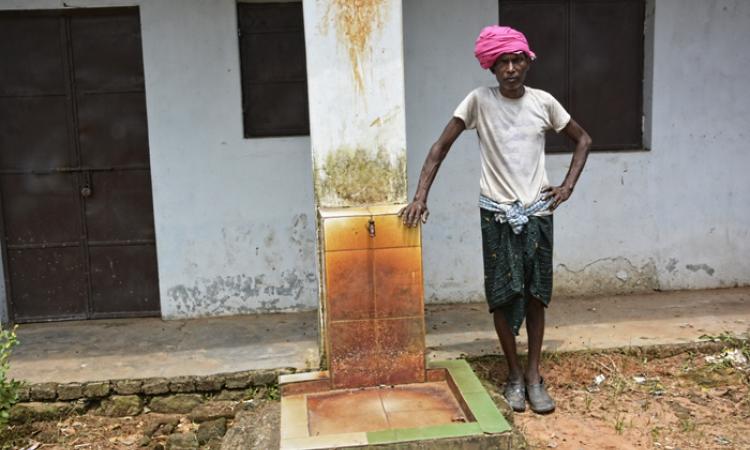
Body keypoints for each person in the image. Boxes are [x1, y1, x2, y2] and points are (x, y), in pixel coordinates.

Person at [400, 25, 591, 414]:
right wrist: (420, 195)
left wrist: (567, 187)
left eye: (517, 59)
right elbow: (440, 148)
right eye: (502, 61)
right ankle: (514, 375)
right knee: (502, 297)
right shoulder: (478, 102)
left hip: (537, 214)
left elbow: (583, 139)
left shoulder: (543, 102)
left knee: (536, 294)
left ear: (527, 62)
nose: (510, 68)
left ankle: (535, 376)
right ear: (491, 67)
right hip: (496, 215)